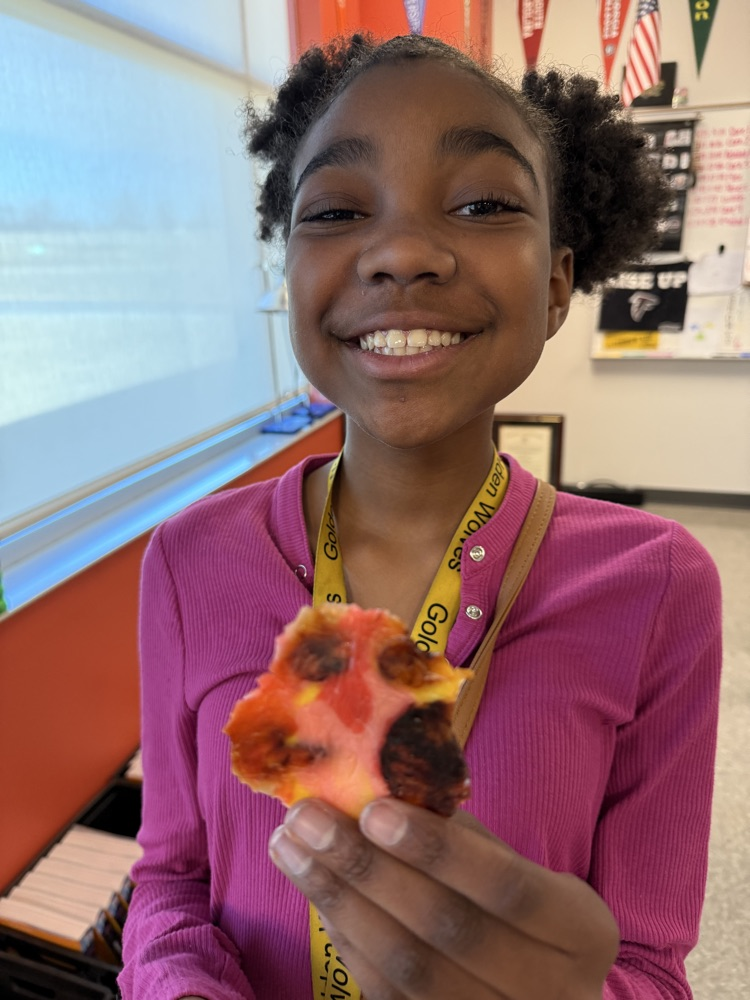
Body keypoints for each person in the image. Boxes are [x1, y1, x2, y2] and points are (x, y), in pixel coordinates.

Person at [119, 32, 722, 1000]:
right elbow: (171, 883)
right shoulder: (190, 557)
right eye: (337, 211)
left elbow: (646, 962)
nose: (401, 251)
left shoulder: (657, 584)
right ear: (289, 272)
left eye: (483, 203)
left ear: (560, 280)